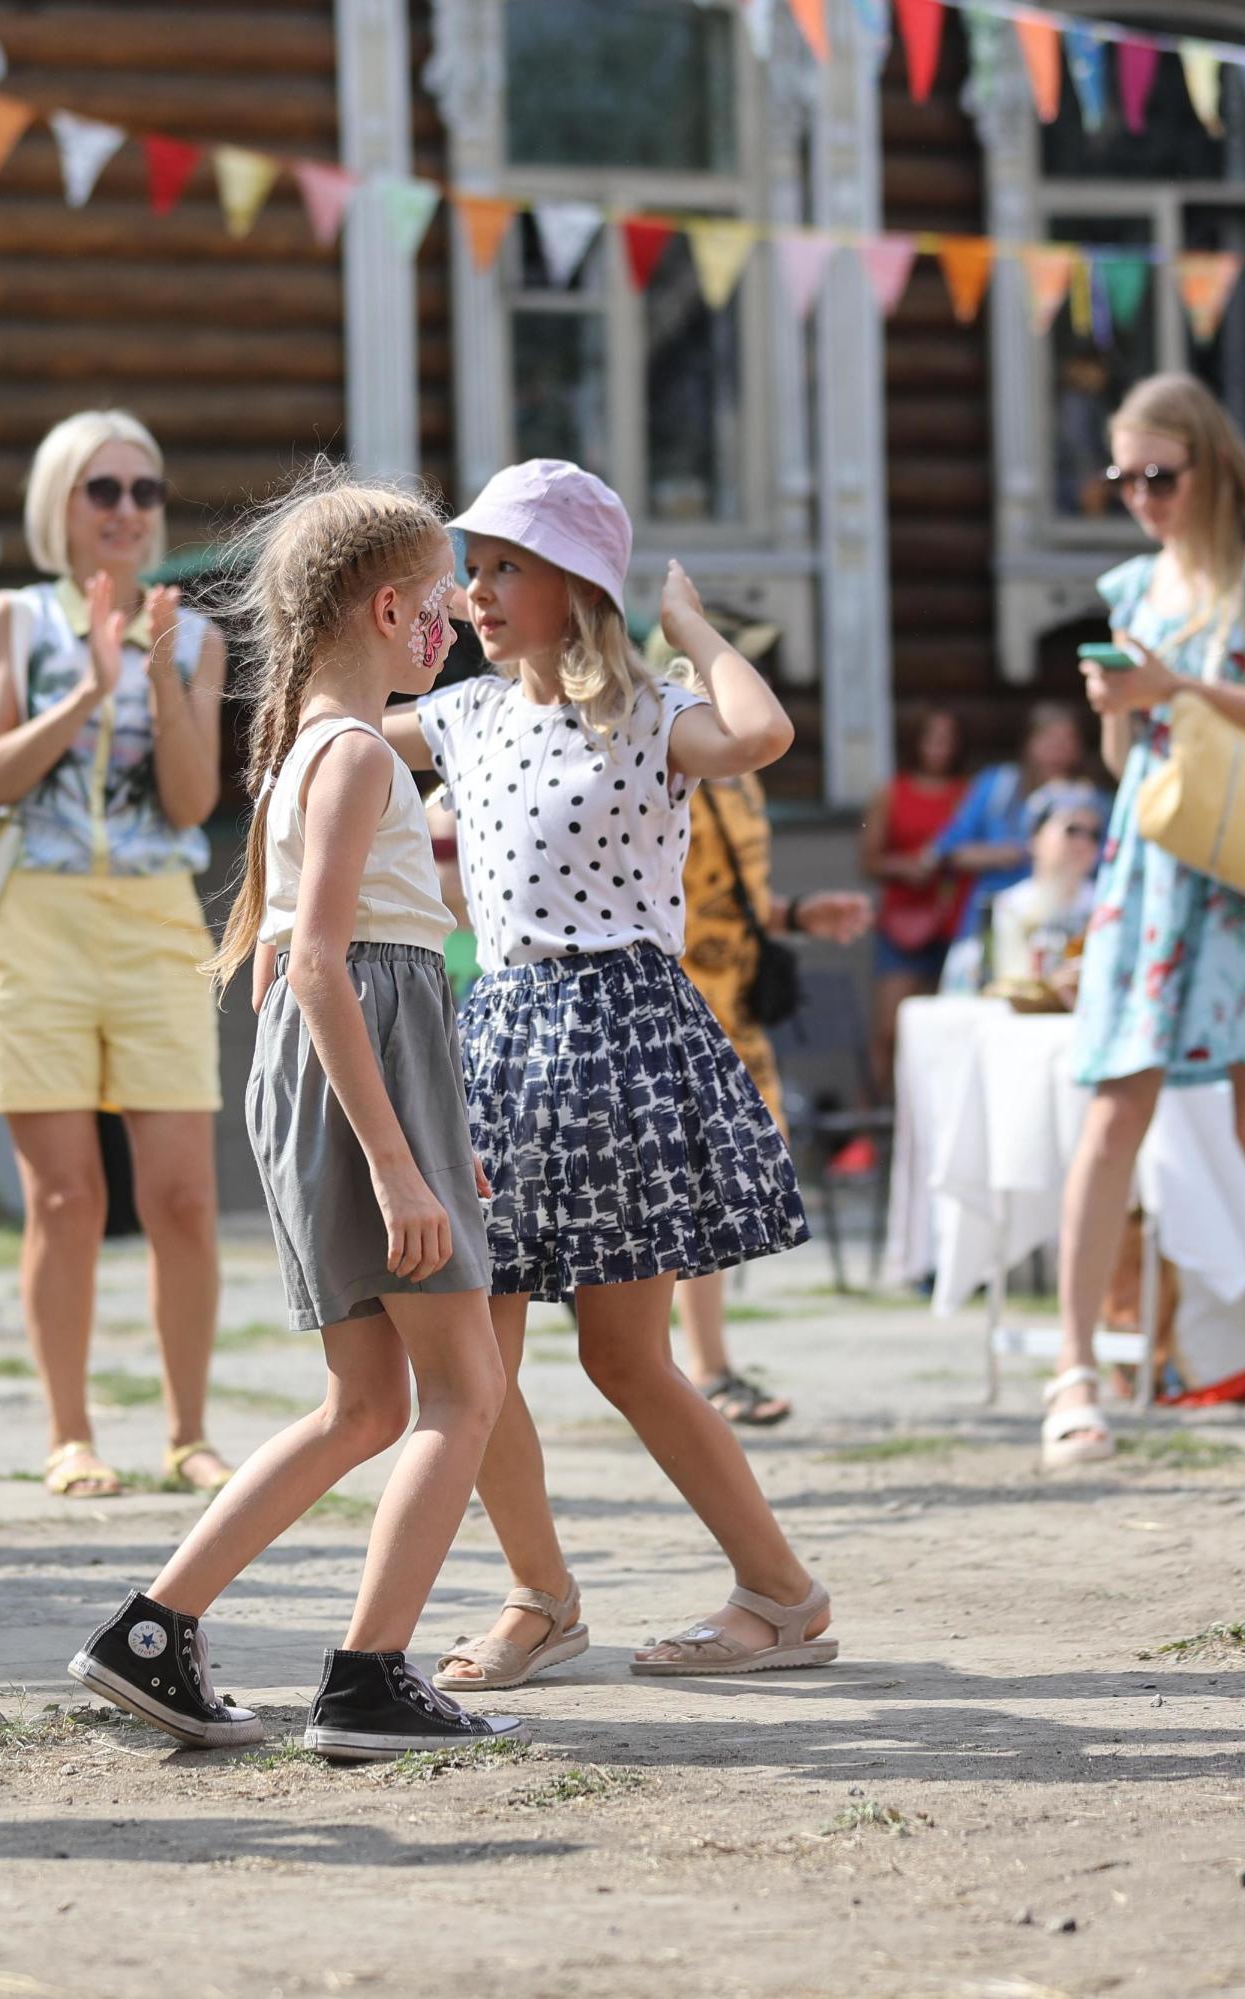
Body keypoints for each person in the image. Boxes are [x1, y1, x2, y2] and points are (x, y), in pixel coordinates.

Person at [66, 467, 517, 1761]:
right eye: (442, 604)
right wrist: (400, 1165)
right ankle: (370, 1674)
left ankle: (152, 1631)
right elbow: (318, 964)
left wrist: (422, 1141)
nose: (455, 626)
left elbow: (287, 967)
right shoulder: (360, 750)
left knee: (368, 1403)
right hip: (367, 1059)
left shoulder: (314, 744)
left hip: (360, 1065)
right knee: (462, 1387)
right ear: (389, 609)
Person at [390, 459, 835, 1695]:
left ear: (577, 582)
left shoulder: (650, 710)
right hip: (498, 1032)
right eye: (470, 567)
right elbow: (334, 734)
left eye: (504, 566)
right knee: (469, 1359)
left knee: (625, 1357)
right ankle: (542, 1596)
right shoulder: (464, 714)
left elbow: (761, 733)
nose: (477, 590)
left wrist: (688, 627)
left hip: (620, 1034)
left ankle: (783, 1595)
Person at [1044, 373, 1245, 1468]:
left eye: (1160, 475)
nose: (1142, 497)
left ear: (1209, 464)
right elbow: (1124, 758)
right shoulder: (1133, 583)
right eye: (1123, 478)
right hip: (1153, 866)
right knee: (1111, 1115)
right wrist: (1120, 708)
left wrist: (1174, 683)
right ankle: (1076, 1373)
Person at [0, 411, 231, 1502]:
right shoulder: (17, 619)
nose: (125, 511)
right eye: (102, 490)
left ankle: (189, 1431)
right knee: (64, 1196)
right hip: (35, 919)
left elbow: (195, 801)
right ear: (60, 505)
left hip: (157, 915)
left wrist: (157, 671)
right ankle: (71, 1432)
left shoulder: (196, 636)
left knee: (185, 1199)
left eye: (144, 492)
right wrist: (85, 685)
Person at [671, 711, 870, 1428]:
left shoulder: (739, 777)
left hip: (736, 1008)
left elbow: (734, 899)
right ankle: (703, 1366)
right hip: (674, 1002)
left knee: (715, 1185)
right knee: (693, 1188)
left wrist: (798, 913)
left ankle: (697, 1363)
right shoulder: (656, 756)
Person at [928, 700, 1088, 984]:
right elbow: (947, 850)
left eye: (1067, 742)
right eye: (1050, 740)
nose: (1059, 751)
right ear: (1029, 743)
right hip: (992, 925)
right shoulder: (998, 786)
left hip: (1059, 928)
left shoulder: (1087, 801)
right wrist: (1004, 855)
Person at [860, 706, 968, 1099]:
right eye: (932, 738)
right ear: (915, 742)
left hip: (954, 920)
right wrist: (907, 867)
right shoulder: (892, 792)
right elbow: (869, 860)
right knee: (889, 1028)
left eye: (948, 740)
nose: (940, 748)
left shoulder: (967, 792)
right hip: (904, 922)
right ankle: (874, 1122)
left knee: (949, 1028)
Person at [987, 780, 1108, 997]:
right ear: (1036, 836)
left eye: (1094, 835)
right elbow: (1001, 981)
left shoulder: (1107, 905)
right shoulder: (1010, 905)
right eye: (1072, 830)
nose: (1083, 844)